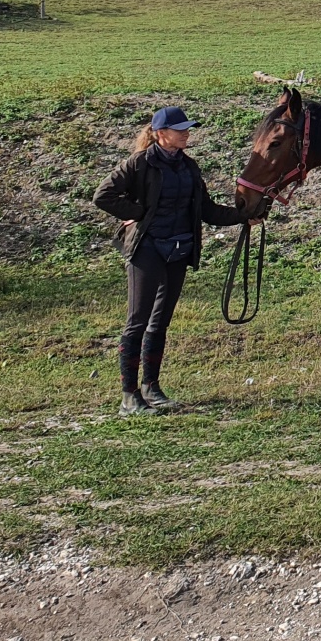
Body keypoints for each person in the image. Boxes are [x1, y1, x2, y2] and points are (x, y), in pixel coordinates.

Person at [92, 106, 248, 415]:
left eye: (188, 128)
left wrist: (244, 216)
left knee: (160, 322)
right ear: (161, 133)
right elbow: (103, 196)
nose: (187, 133)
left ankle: (152, 388)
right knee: (137, 322)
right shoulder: (138, 163)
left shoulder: (189, 167)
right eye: (181, 129)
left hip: (179, 250)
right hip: (147, 250)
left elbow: (207, 210)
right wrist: (138, 215)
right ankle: (129, 396)